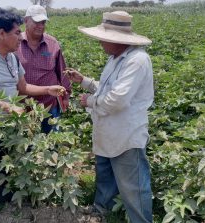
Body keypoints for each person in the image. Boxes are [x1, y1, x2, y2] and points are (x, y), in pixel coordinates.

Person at [0, 8, 65, 223]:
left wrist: (48, 89)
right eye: (16, 33)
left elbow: (23, 87)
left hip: (10, 126)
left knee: (7, 164)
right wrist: (5, 106)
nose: (20, 37)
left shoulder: (12, 58)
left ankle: (3, 204)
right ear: (2, 33)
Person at [66, 11, 154, 223]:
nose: (100, 43)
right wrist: (85, 81)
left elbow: (117, 100)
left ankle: (141, 220)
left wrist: (89, 101)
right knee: (105, 176)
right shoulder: (116, 58)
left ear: (118, 40)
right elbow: (107, 89)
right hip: (107, 131)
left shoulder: (138, 60)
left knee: (134, 188)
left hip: (125, 136)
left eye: (103, 38)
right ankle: (101, 210)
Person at [16, 5, 71, 134]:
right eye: (36, 22)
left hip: (49, 105)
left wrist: (66, 95)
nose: (40, 26)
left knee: (50, 145)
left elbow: (62, 71)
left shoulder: (52, 43)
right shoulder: (15, 43)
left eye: (43, 22)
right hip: (23, 106)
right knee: (27, 148)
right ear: (26, 21)